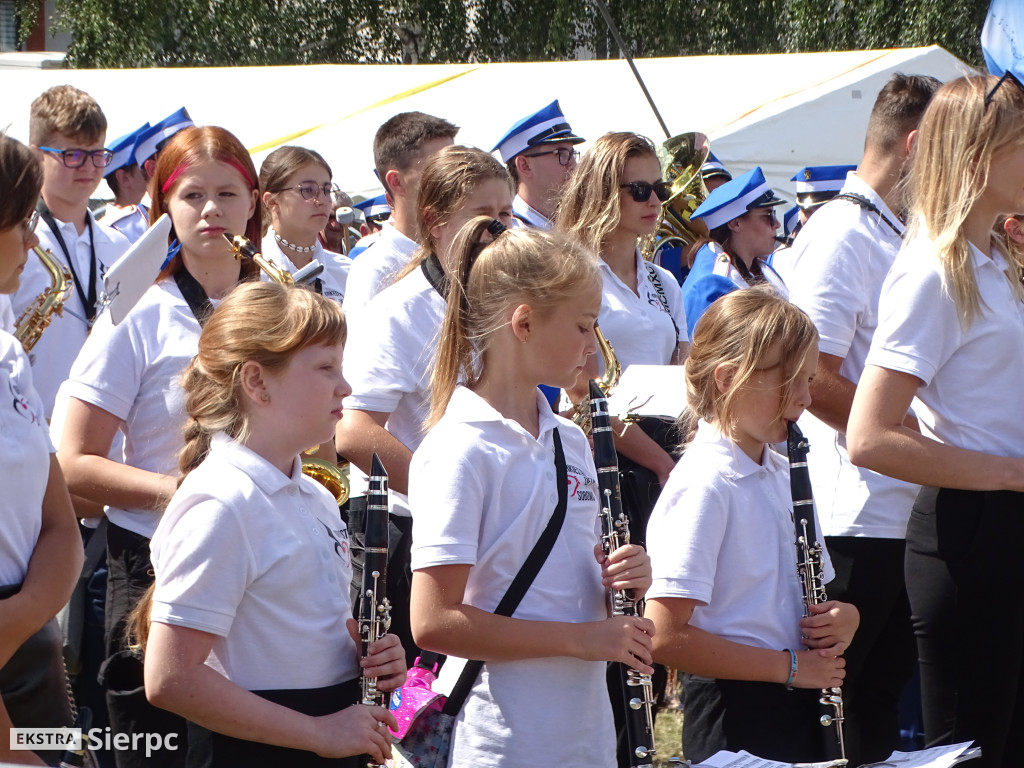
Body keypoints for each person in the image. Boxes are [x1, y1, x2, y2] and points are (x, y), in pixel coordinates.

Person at [408, 218, 654, 767]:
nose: (592, 349)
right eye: (584, 326)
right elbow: (433, 621)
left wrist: (627, 574)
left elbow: (571, 577)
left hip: (585, 732)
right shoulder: (460, 448)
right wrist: (581, 640)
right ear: (523, 323)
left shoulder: (569, 436)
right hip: (502, 738)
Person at [129, 281, 404, 768]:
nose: (346, 387)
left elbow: (294, 628)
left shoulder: (315, 495)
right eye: (325, 369)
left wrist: (366, 653)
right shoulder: (221, 502)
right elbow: (172, 679)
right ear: (257, 383)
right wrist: (319, 732)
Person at [58, 125, 263, 768]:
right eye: (191, 195)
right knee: (159, 752)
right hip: (152, 561)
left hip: (263, 562)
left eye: (228, 193)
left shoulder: (282, 305)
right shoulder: (138, 314)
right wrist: (179, 492)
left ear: (254, 203)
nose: (211, 211)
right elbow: (73, 461)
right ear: (163, 208)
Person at [846, 74, 1024, 768]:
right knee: (972, 751)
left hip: (1000, 520)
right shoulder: (935, 269)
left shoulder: (992, 260)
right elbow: (869, 434)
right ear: (978, 155)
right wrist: (1008, 471)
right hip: (973, 530)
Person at [781, 73, 940, 767]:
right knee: (839, 706)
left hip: (893, 505)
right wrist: (918, 442)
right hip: (854, 512)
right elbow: (811, 377)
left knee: (876, 700)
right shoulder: (843, 232)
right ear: (913, 147)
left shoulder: (888, 228)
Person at [646, 287, 859, 764]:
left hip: (793, 698)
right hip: (735, 709)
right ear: (728, 379)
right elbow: (662, 635)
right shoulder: (705, 483)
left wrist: (847, 619)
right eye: (792, 382)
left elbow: (812, 594)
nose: (806, 398)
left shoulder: (783, 474)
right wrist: (790, 668)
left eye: (808, 380)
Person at [337, 145, 513, 666]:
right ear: (436, 222)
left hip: (493, 528)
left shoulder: (499, 298)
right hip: (417, 532)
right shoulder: (401, 309)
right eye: (485, 217)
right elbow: (354, 432)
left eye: (507, 214)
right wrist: (450, 496)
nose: (502, 231)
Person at [0, 134, 84, 768]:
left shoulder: (6, 354)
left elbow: (59, 524)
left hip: (25, 642)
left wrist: (23, 616)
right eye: (20, 221)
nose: (32, 243)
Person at [555, 132, 688, 484]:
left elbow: (684, 373)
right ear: (603, 192)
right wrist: (661, 464)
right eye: (641, 191)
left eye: (660, 188)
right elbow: (582, 390)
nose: (656, 201)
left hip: (667, 450)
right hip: (600, 458)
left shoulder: (664, 281)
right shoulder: (572, 277)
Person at [13, 85, 131, 419]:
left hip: (99, 434)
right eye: (72, 155)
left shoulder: (118, 244)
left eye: (97, 155)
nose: (89, 167)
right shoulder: (17, 242)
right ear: (36, 155)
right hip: (30, 425)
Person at [341, 112, 457, 326]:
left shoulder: (459, 252)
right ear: (396, 182)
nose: (452, 180)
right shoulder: (373, 271)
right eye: (437, 169)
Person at [682, 166, 788, 339]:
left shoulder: (759, 269)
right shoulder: (713, 284)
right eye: (768, 214)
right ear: (736, 224)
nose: (776, 223)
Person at [259, 146, 351, 305]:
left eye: (326, 190)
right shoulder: (249, 273)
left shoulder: (347, 271)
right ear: (272, 201)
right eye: (308, 190)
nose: (322, 200)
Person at [492, 99, 584, 230]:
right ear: (525, 166)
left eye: (572, 153)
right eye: (561, 154)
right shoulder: (510, 232)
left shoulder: (578, 224)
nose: (573, 165)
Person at [100, 123, 151, 244]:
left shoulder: (151, 211)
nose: (151, 170)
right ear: (123, 178)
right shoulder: (107, 231)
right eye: (143, 166)